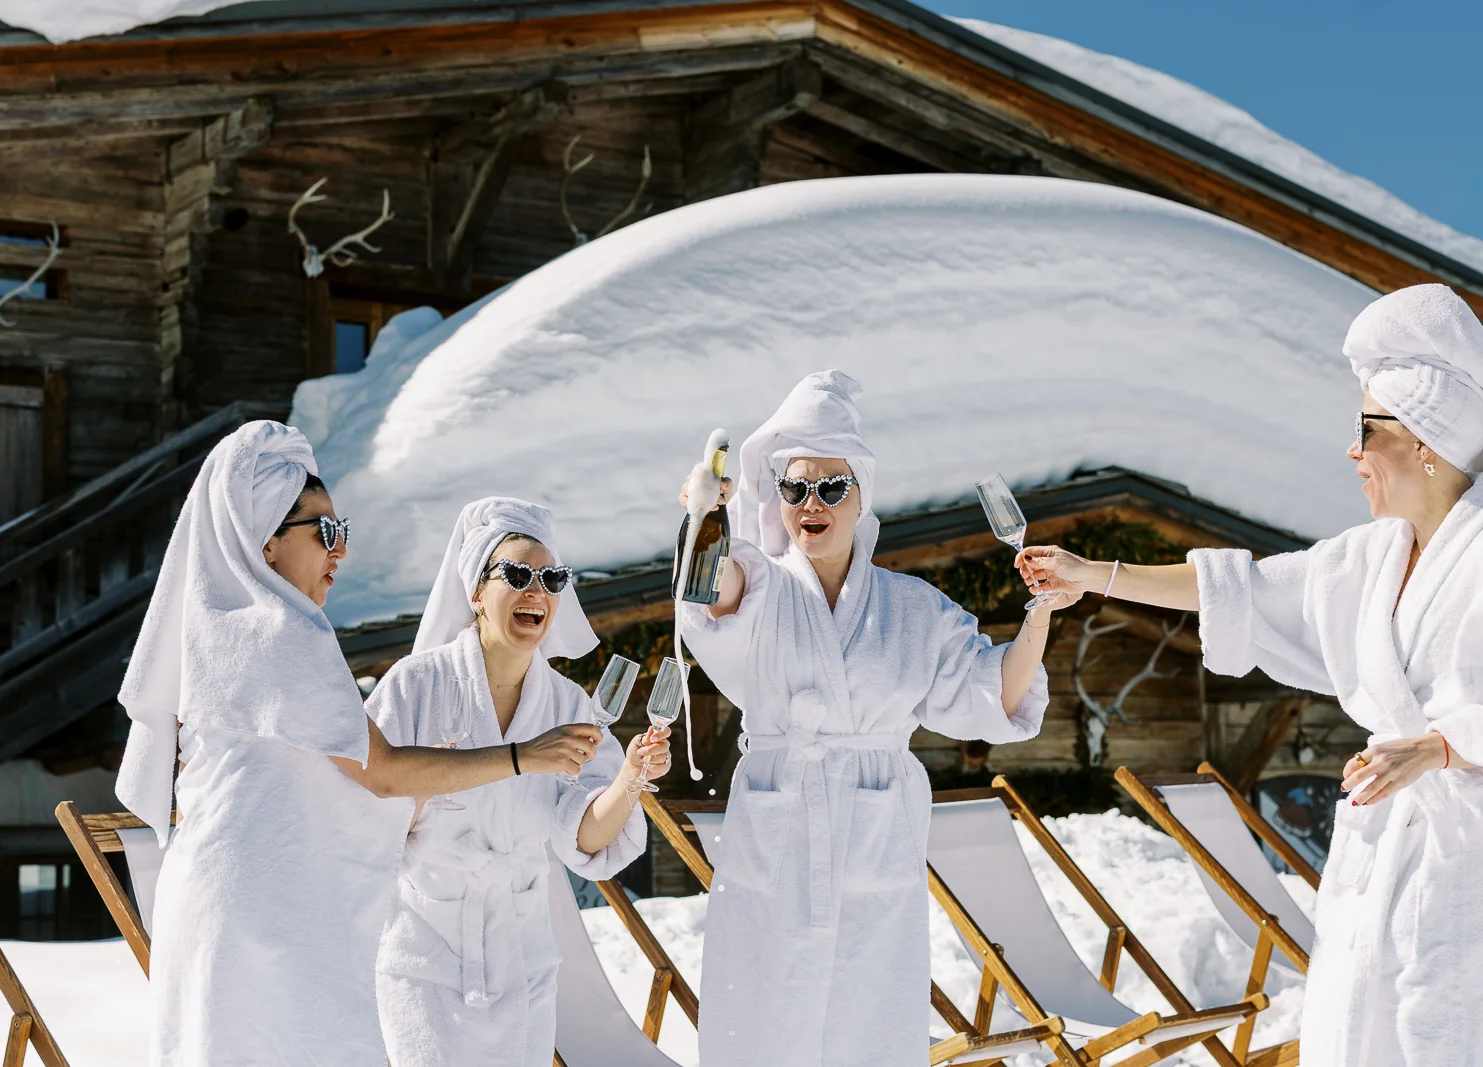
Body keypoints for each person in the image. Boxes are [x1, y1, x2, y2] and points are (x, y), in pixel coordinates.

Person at [1021, 284, 1483, 1067]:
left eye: (1367, 429)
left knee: (1451, 1036)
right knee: (1356, 1030)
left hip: (1467, 853)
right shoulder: (1372, 557)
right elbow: (1244, 591)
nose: (1352, 451)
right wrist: (1097, 572)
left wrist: (1437, 746)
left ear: (1425, 440)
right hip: (1376, 854)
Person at [114, 422, 605, 1066]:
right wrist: (522, 757)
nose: (339, 552)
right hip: (260, 908)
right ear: (265, 541)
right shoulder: (284, 634)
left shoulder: (220, 629)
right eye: (325, 532)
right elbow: (384, 771)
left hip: (224, 895)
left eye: (342, 531)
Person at [676, 370, 1059, 1067]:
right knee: (763, 1012)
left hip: (873, 833)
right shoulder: (759, 583)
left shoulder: (913, 607)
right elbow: (709, 591)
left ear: (862, 496)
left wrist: (1042, 614)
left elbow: (994, 696)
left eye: (832, 486)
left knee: (871, 1015)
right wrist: (705, 516)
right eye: (794, 487)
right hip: (779, 827)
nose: (811, 503)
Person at [366, 498, 661, 1066]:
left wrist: (629, 779)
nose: (538, 591)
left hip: (521, 957)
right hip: (424, 954)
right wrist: (435, 779)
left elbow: (585, 838)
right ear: (476, 593)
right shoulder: (416, 687)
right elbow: (364, 812)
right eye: (519, 575)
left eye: (552, 579)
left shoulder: (567, 704)